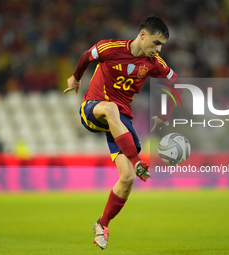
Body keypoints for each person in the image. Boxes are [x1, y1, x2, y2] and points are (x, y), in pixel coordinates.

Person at [63, 15, 180, 249]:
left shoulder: (154, 62)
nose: (158, 49)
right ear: (142, 35)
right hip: (95, 108)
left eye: (161, 46)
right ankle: (137, 161)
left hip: (121, 121)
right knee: (111, 107)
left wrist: (164, 115)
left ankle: (102, 224)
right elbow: (87, 56)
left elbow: (175, 82)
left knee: (126, 179)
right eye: (156, 43)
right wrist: (76, 78)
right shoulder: (110, 48)